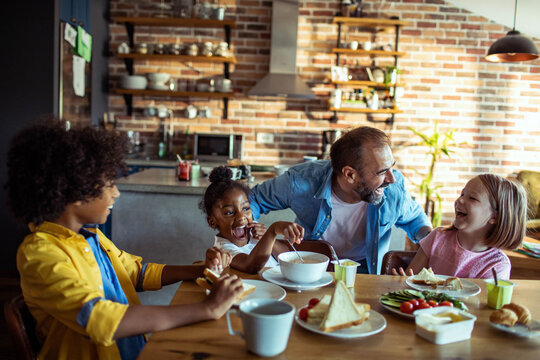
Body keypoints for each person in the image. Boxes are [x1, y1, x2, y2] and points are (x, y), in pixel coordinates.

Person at [6, 119, 243, 360]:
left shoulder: (90, 236)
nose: (116, 192)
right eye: (109, 184)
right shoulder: (40, 253)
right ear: (75, 192)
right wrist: (206, 309)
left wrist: (198, 270)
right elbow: (98, 318)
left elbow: (136, 272)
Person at [249, 126, 432, 274]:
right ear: (350, 174)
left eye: (391, 167)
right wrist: (248, 234)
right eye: (382, 172)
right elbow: (253, 200)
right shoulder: (301, 181)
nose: (392, 178)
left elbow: (416, 220)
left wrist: (432, 241)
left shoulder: (393, 188)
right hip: (311, 267)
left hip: (365, 272)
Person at [393, 174, 527, 279]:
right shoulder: (437, 237)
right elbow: (411, 278)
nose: (460, 200)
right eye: (462, 194)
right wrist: (403, 283)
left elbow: (481, 308)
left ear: (495, 217)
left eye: (472, 198)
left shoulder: (497, 265)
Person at [200, 166, 304, 274]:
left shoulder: (252, 229)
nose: (241, 216)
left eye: (245, 208)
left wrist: (267, 237)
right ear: (212, 222)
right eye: (229, 212)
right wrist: (272, 231)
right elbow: (252, 266)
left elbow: (284, 257)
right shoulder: (223, 249)